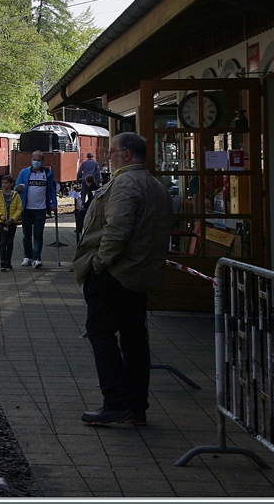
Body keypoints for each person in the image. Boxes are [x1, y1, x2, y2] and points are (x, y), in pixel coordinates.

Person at [73, 132, 172, 427]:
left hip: (115, 275)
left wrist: (99, 265)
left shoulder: (126, 183)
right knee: (134, 340)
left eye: (112, 152)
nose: (109, 157)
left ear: (127, 155)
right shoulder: (157, 186)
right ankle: (136, 409)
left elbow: (117, 231)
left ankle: (115, 403)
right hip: (139, 275)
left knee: (100, 334)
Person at [15, 150, 56, 268]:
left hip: (41, 209)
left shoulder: (47, 173)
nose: (36, 162)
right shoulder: (24, 173)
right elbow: (15, 187)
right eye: (34, 160)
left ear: (42, 161)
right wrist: (18, 188)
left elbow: (52, 189)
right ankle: (27, 257)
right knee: (26, 234)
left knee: (38, 234)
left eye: (38, 160)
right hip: (26, 208)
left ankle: (37, 258)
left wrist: (54, 203)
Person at [0, 175, 22, 271]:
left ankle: (8, 262)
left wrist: (12, 219)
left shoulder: (16, 195)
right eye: (2, 183)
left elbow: (19, 209)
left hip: (11, 223)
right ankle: (2, 263)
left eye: (6, 183)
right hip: (2, 222)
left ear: (11, 184)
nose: (4, 185)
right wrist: (0, 216)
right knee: (3, 242)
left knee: (10, 242)